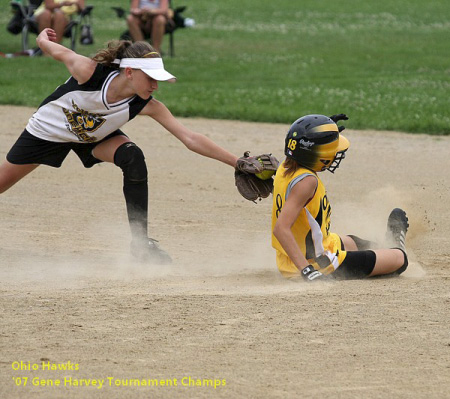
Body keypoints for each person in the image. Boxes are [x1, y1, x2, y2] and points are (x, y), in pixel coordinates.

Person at [0, 28, 270, 264]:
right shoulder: (89, 72)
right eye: (150, 77)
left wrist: (237, 161)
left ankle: (140, 245)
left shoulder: (146, 104)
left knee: (132, 156)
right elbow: (58, 51)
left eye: (158, 78)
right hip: (48, 132)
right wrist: (41, 38)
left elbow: (189, 137)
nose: (155, 85)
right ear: (128, 72)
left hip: (94, 137)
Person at [271, 114, 409, 281]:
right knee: (399, 260)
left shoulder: (284, 167)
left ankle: (386, 246)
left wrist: (322, 130)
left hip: (305, 251)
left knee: (355, 243)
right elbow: (280, 228)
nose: (336, 152)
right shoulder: (307, 181)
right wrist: (307, 270)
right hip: (317, 263)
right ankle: (397, 246)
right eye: (331, 147)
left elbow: (302, 146)